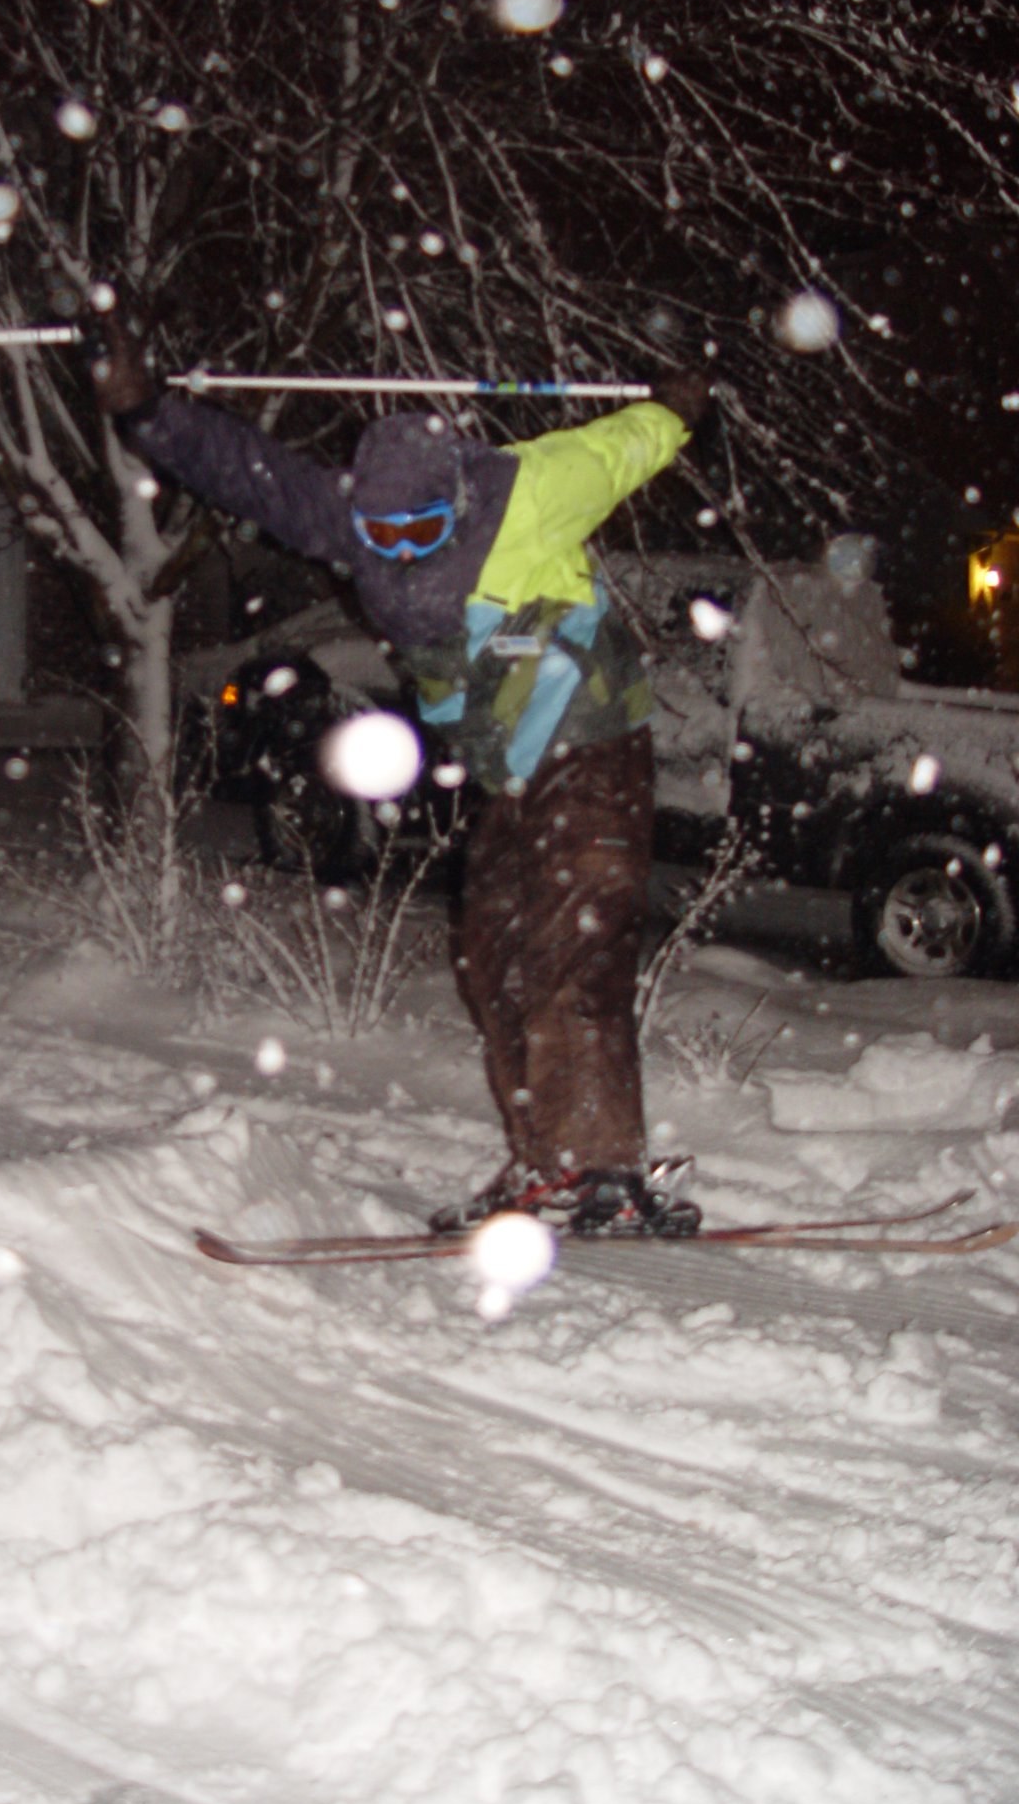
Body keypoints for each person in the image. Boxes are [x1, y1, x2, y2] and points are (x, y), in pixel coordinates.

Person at [92, 317, 711, 1235]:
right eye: (383, 533)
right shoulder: (349, 520)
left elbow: (627, 445)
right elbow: (247, 471)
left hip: (590, 739)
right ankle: (547, 1161)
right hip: (511, 765)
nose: (403, 549)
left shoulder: (534, 487)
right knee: (491, 947)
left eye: (421, 528)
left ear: (456, 502)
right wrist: (146, 411)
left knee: (572, 944)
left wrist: (675, 407)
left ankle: (597, 1164)